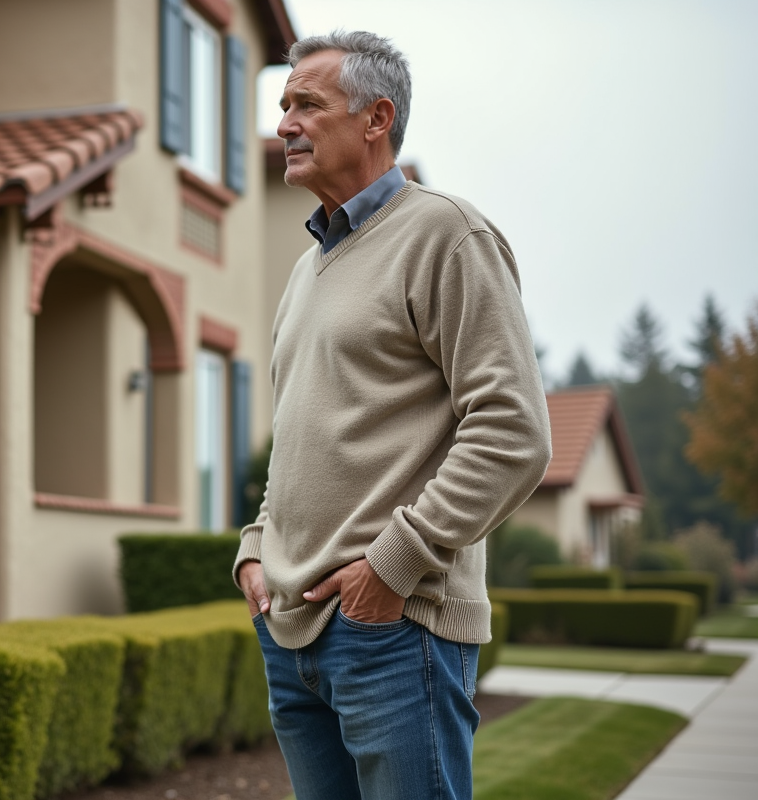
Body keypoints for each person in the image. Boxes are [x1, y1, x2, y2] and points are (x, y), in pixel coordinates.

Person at [234, 30, 552, 800]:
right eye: (283, 106)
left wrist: (394, 565)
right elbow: (301, 437)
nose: (284, 123)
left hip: (394, 629)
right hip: (292, 631)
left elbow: (513, 432)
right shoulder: (308, 269)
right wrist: (255, 546)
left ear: (377, 118)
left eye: (307, 104)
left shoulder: (445, 234)